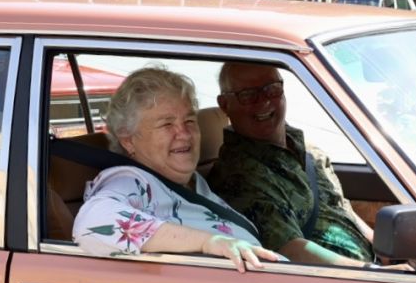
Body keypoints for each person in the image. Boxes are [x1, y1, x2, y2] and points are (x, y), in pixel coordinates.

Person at [73, 66, 282, 272]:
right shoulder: (131, 180)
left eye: (189, 120)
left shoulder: (192, 181)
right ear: (128, 140)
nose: (184, 133)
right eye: (167, 124)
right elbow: (91, 223)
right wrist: (209, 243)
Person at [208, 62, 376, 267]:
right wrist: (371, 271)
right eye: (248, 95)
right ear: (225, 104)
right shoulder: (238, 177)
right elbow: (291, 251)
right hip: (333, 281)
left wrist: (384, 249)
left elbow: (340, 206)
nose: (264, 101)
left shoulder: (307, 149)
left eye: (271, 89)